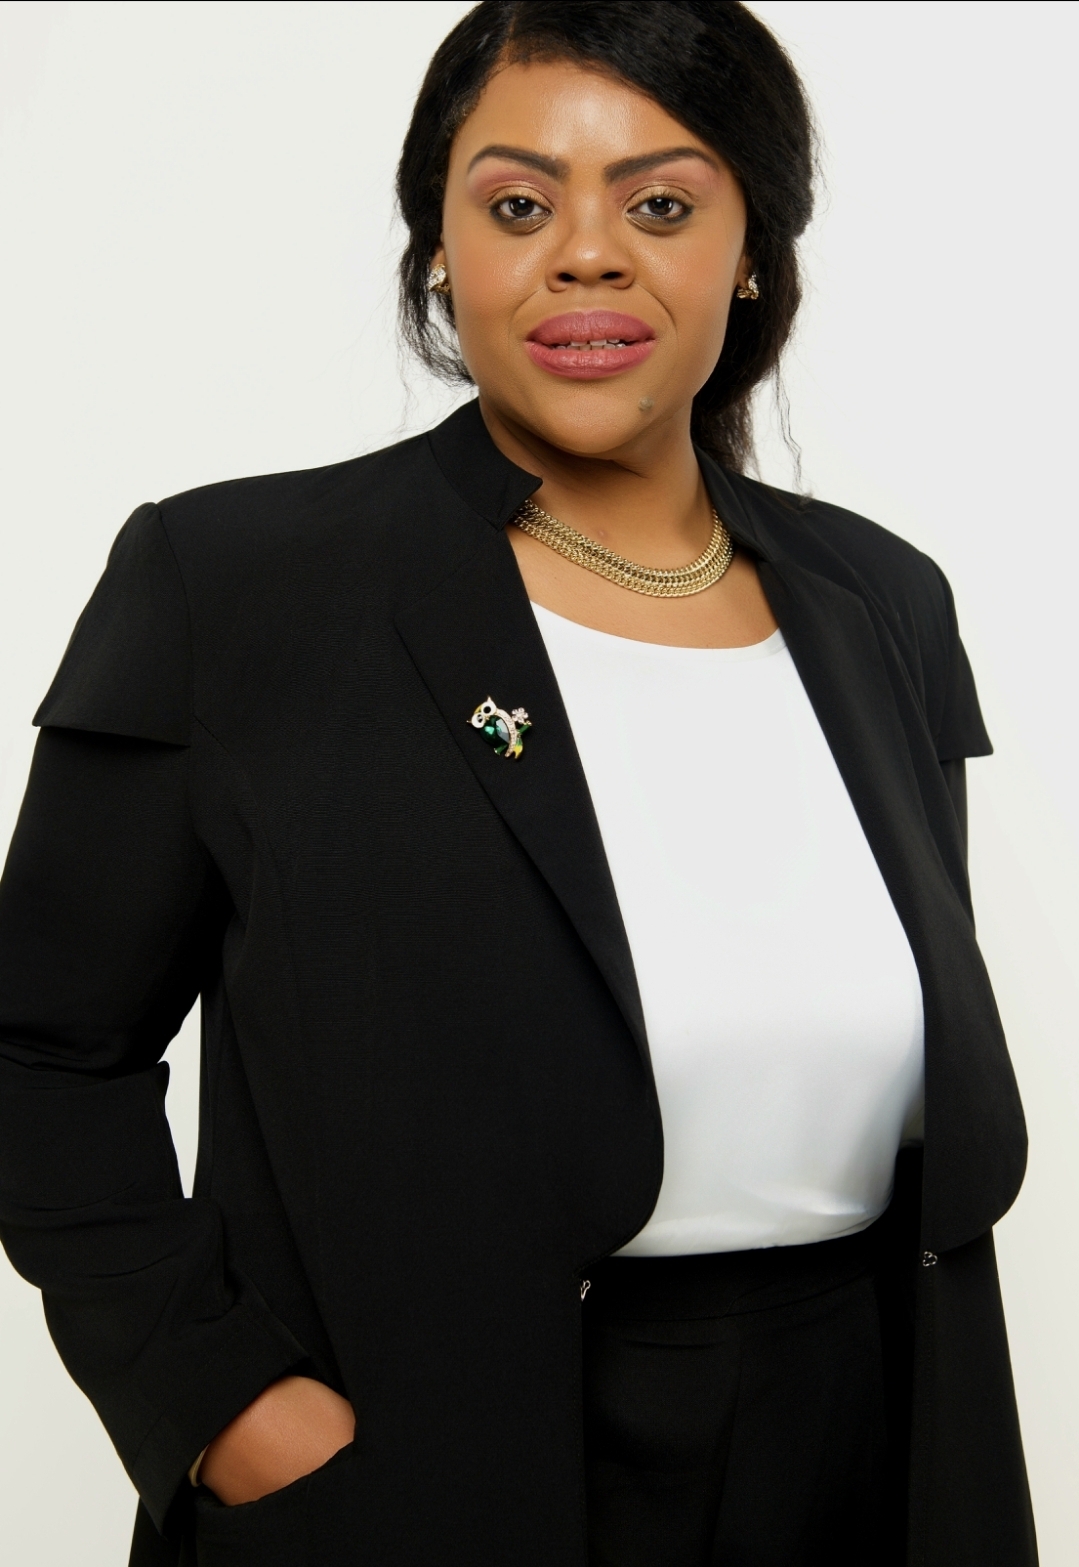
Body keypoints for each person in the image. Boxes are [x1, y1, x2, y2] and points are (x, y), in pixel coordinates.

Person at [0, 4, 1037, 1564]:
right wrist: (219, 1403)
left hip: (866, 1441)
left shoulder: (882, 602)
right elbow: (40, 1048)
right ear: (440, 249)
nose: (587, 257)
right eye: (517, 204)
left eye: (663, 204)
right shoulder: (236, 587)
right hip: (428, 1464)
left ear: (753, 252)